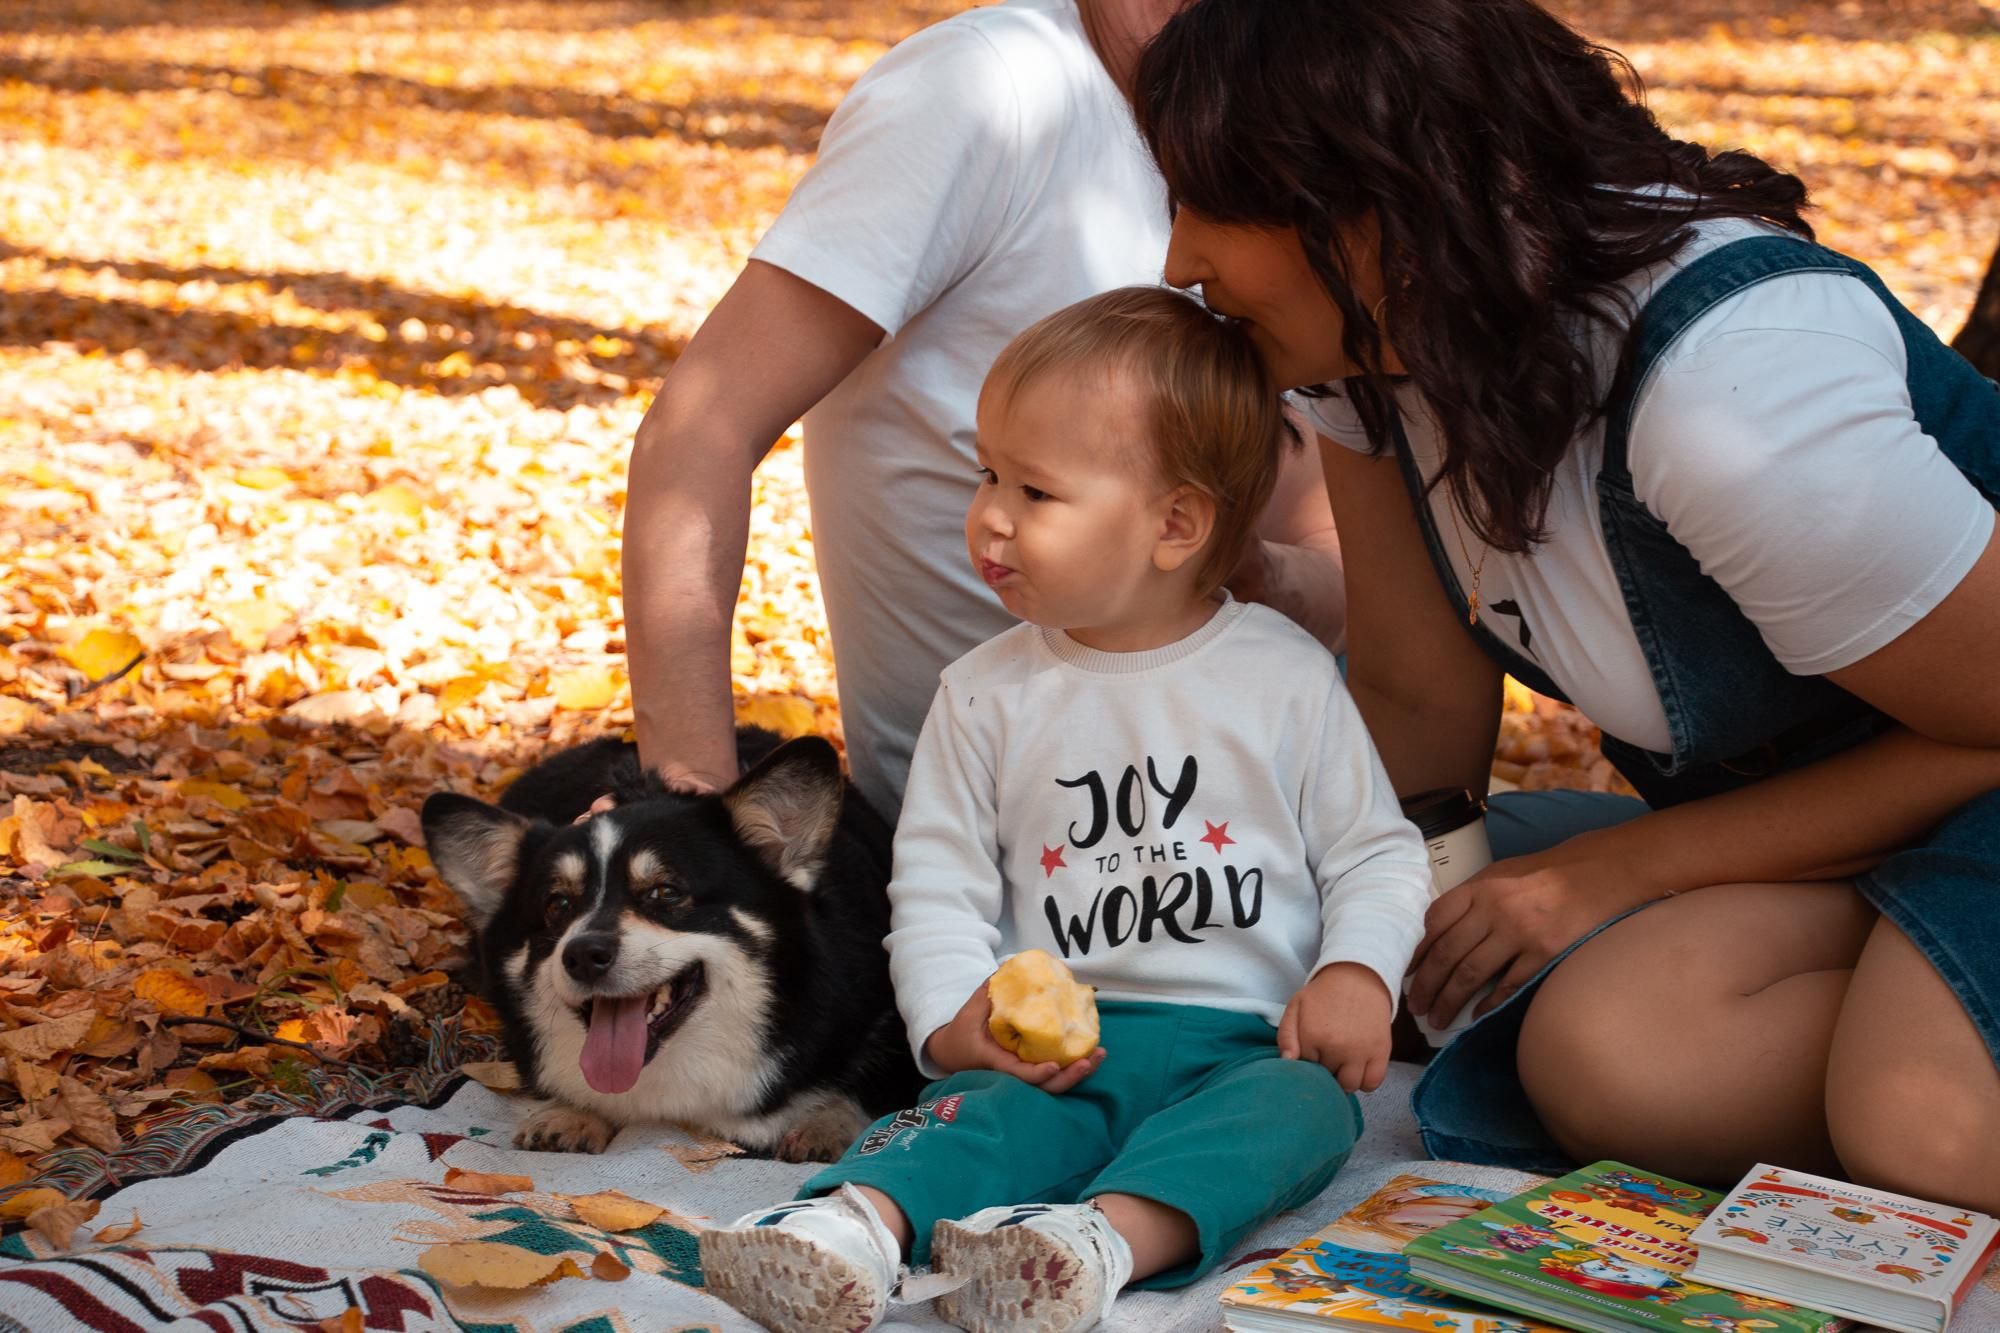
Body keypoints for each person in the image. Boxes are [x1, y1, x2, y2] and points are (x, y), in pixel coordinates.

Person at [1135, 0, 2000, 1212]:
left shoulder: (1728, 401)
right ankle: (1913, 985)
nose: (1179, 259)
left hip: (1972, 755)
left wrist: (1618, 873)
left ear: (1385, 201)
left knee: (1920, 1128)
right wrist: (1350, 925)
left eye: (1212, 201)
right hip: (1853, 806)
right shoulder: (1379, 354)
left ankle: (1917, 1027)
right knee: (1610, 1057)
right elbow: (1410, 689)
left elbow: (1989, 717)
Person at [695, 287, 1435, 1333]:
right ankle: (845, 1230)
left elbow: (1374, 853)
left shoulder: (1282, 675)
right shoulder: (986, 693)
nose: (990, 513)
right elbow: (940, 891)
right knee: (969, 1120)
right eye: (985, 472)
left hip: (1245, 1045)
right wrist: (952, 1021)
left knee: (1307, 1114)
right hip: (1053, 1050)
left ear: (1174, 523)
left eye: (1035, 490)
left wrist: (1356, 972)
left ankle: (1093, 1245)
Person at [619, 0, 1346, 824]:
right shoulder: (984, 89)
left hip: (1248, 797)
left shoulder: (1287, 118)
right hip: (999, 830)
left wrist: (1245, 574)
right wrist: (691, 806)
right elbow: (700, 430)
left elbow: (1328, 549)